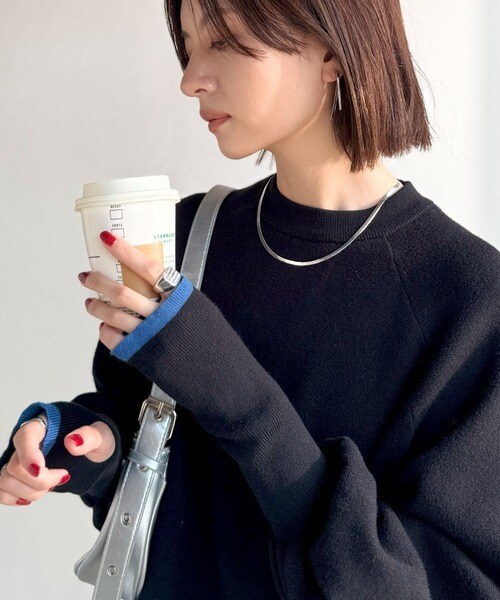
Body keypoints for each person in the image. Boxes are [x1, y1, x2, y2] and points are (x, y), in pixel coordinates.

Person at [1, 0, 499, 597]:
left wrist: (232, 390)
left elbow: (425, 583)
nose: (190, 80)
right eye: (189, 46)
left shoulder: (471, 299)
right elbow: (150, 447)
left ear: (332, 51)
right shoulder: (185, 237)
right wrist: (83, 446)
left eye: (225, 41)